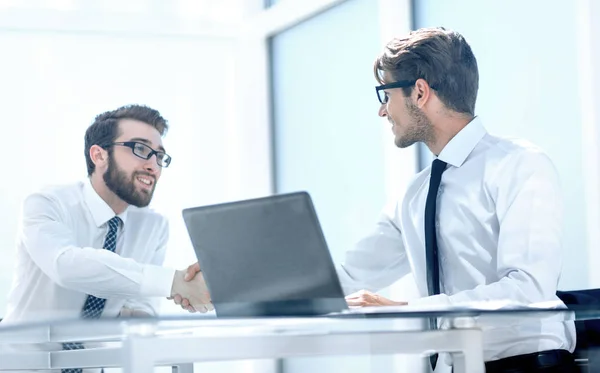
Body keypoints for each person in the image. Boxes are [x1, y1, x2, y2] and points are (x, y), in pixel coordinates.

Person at [175, 28, 578, 372]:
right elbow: (348, 278)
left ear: (419, 92)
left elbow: (528, 289)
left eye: (385, 94)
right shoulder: (415, 193)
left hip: (526, 363)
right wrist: (232, 284)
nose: (383, 111)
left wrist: (408, 308)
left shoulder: (520, 164)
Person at [3, 104, 212, 327]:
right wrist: (173, 282)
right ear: (99, 155)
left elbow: (140, 311)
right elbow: (65, 266)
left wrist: (194, 288)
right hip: (24, 359)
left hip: (94, 361)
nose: (154, 166)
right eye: (141, 149)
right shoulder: (47, 203)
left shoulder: (154, 225)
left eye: (159, 156)